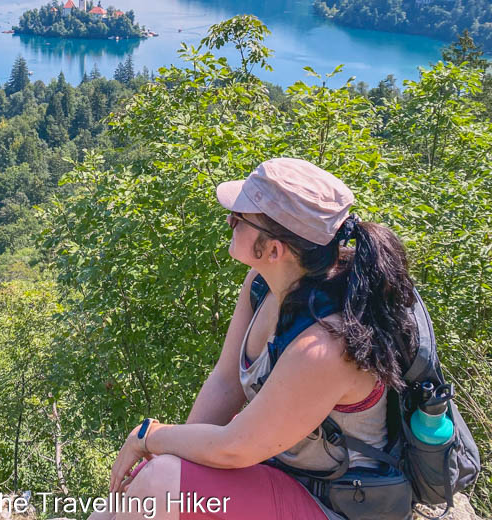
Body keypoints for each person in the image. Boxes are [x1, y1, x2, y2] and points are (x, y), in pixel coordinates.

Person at [87, 157, 419, 520]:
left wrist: (147, 436)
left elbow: (234, 448)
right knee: (135, 493)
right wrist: (168, 450)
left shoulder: (325, 345)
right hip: (286, 479)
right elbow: (227, 383)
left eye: (240, 217)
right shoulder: (262, 285)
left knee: (160, 484)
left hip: (339, 505)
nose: (229, 220)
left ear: (275, 250)